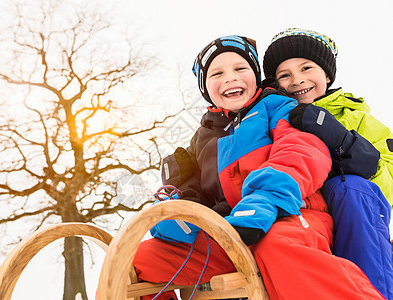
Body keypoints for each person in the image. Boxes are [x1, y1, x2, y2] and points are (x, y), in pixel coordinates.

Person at [132, 35, 386, 300]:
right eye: (217, 73)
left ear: (256, 76)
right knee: (143, 259)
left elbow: (301, 152)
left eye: (240, 69)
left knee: (276, 246)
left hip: (291, 215)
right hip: (231, 230)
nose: (230, 78)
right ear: (206, 89)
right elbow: (191, 190)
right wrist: (178, 210)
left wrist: (265, 199)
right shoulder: (203, 137)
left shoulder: (279, 107)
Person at [263, 27, 393, 299]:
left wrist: (341, 140)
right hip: (302, 218)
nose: (297, 80)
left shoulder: (358, 119)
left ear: (327, 74)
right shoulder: (272, 121)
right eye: (284, 75)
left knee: (350, 188)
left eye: (306, 68)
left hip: (357, 219)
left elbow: (387, 184)